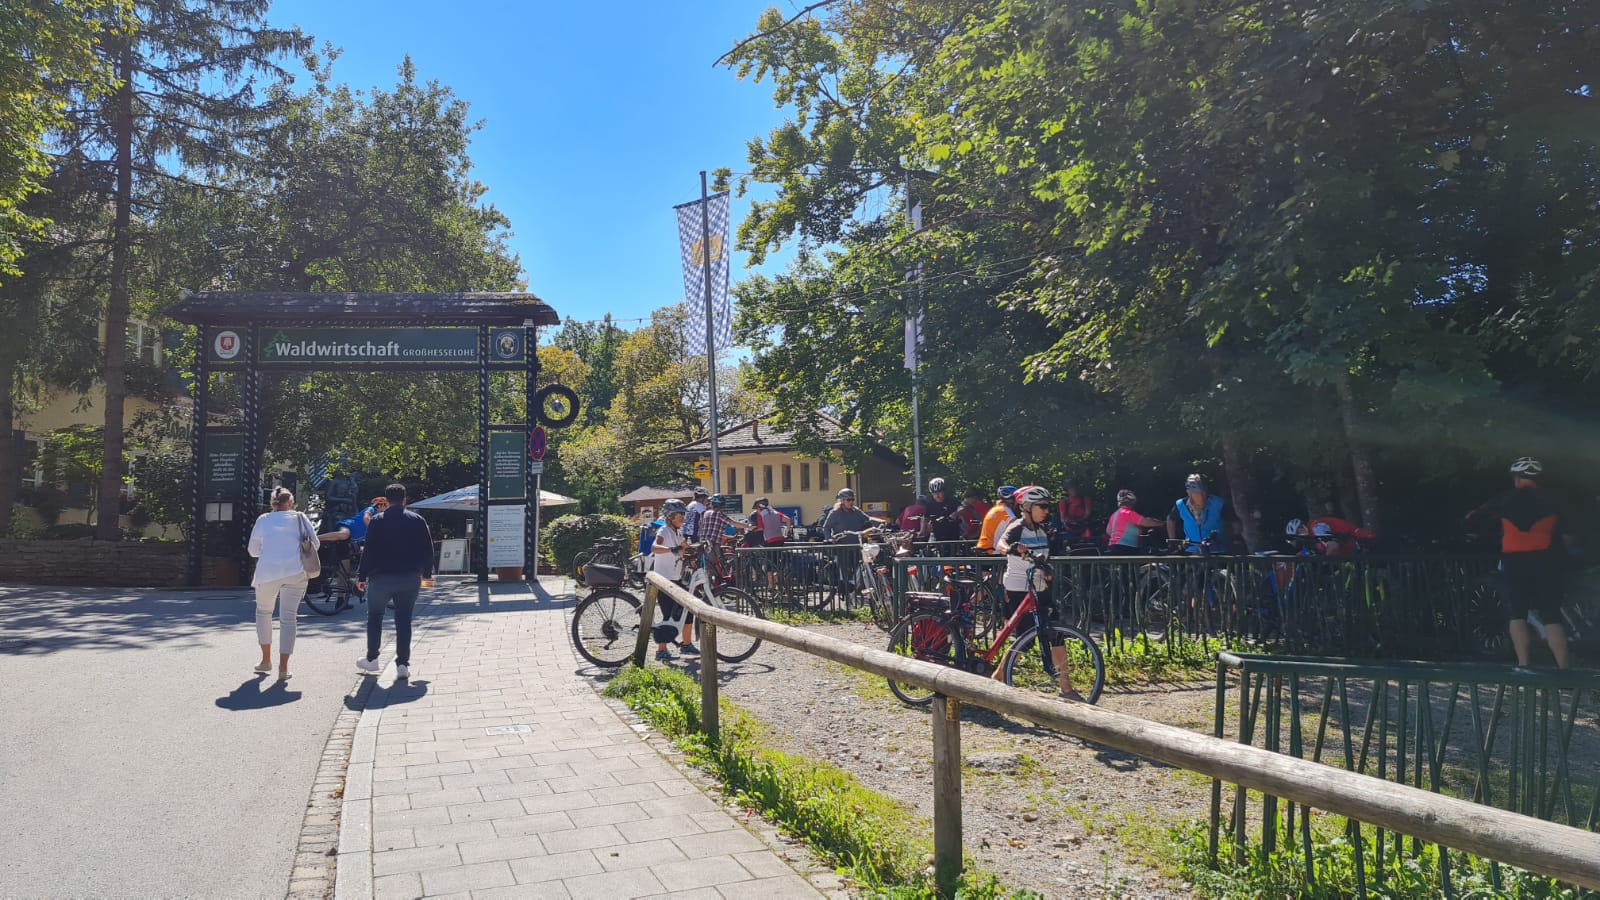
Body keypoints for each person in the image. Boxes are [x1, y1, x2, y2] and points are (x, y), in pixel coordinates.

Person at [1467, 457, 1574, 669]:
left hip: (1515, 561)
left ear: (1516, 478)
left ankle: (1524, 666)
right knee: (1552, 616)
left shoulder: (1504, 499)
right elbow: (1569, 533)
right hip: (1548, 561)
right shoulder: (1554, 499)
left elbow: (1472, 518)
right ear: (1539, 479)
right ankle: (1564, 669)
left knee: (1517, 614)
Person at [997, 486, 1080, 701]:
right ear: (1026, 507)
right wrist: (1012, 548)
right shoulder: (1017, 527)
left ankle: (1066, 688)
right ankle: (996, 678)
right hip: (1019, 589)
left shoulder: (1042, 530)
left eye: (1047, 507)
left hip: (1039, 588)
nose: (1046, 511)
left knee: (1056, 634)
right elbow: (1001, 544)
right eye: (1041, 506)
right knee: (1025, 641)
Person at [356, 484, 434, 680]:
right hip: (409, 577)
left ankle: (372, 659)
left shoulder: (377, 521)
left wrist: (361, 577)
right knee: (404, 620)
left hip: (381, 578)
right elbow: (428, 548)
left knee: (375, 616)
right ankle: (402, 664)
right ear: (405, 499)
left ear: (387, 500)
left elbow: (369, 551)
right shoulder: (417, 520)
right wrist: (426, 573)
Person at [247, 487, 317, 681]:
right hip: (296, 572)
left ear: (273, 503)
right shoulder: (300, 518)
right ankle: (283, 668)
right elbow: (315, 544)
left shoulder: (263, 520)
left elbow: (253, 550)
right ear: (291, 502)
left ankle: (265, 660)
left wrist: (270, 551)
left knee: (264, 613)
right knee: (288, 618)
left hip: (267, 572)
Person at [651, 499, 696, 660]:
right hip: (664, 581)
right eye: (680, 515)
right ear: (670, 517)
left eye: (683, 515)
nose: (683, 518)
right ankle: (661, 651)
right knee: (668, 616)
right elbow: (655, 547)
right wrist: (672, 549)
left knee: (687, 612)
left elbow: (685, 546)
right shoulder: (664, 531)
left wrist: (698, 548)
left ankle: (686, 645)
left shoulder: (677, 532)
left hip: (675, 579)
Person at [1168, 473, 1227, 553]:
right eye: (1197, 494)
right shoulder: (1181, 505)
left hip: (1217, 550)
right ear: (1189, 492)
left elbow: (1233, 522)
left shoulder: (1218, 503)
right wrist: (1172, 542)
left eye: (1203, 493)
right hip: (1191, 550)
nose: (1202, 497)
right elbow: (1170, 519)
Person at [1106, 490, 1164, 555]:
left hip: (1113, 547)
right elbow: (1146, 522)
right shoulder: (1127, 513)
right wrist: (1162, 523)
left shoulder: (1114, 514)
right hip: (1126, 547)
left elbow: (1108, 531)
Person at [1286, 516, 1375, 558]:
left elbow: (1333, 546)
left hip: (1360, 544)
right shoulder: (1310, 536)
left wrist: (1325, 564)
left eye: (1300, 530)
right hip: (1349, 548)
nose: (1300, 533)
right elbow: (1307, 551)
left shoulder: (1316, 528)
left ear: (1303, 526)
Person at [921, 478, 964, 546]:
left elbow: (961, 508)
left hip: (952, 534)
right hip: (937, 535)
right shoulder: (930, 504)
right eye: (934, 493)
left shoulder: (951, 500)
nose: (937, 495)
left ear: (944, 491)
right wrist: (922, 529)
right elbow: (925, 517)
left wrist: (955, 514)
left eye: (939, 492)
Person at [977, 485, 1019, 554]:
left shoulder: (995, 509)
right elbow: (1019, 528)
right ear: (1011, 500)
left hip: (985, 550)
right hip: (994, 552)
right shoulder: (1006, 511)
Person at [1057, 479, 1094, 544]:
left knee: (1088, 540)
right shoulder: (1064, 501)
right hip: (1069, 528)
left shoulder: (1085, 499)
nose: (1073, 490)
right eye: (1070, 488)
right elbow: (1062, 518)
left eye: (1074, 488)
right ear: (1067, 490)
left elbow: (1088, 513)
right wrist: (1068, 522)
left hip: (1083, 526)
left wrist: (1079, 521)